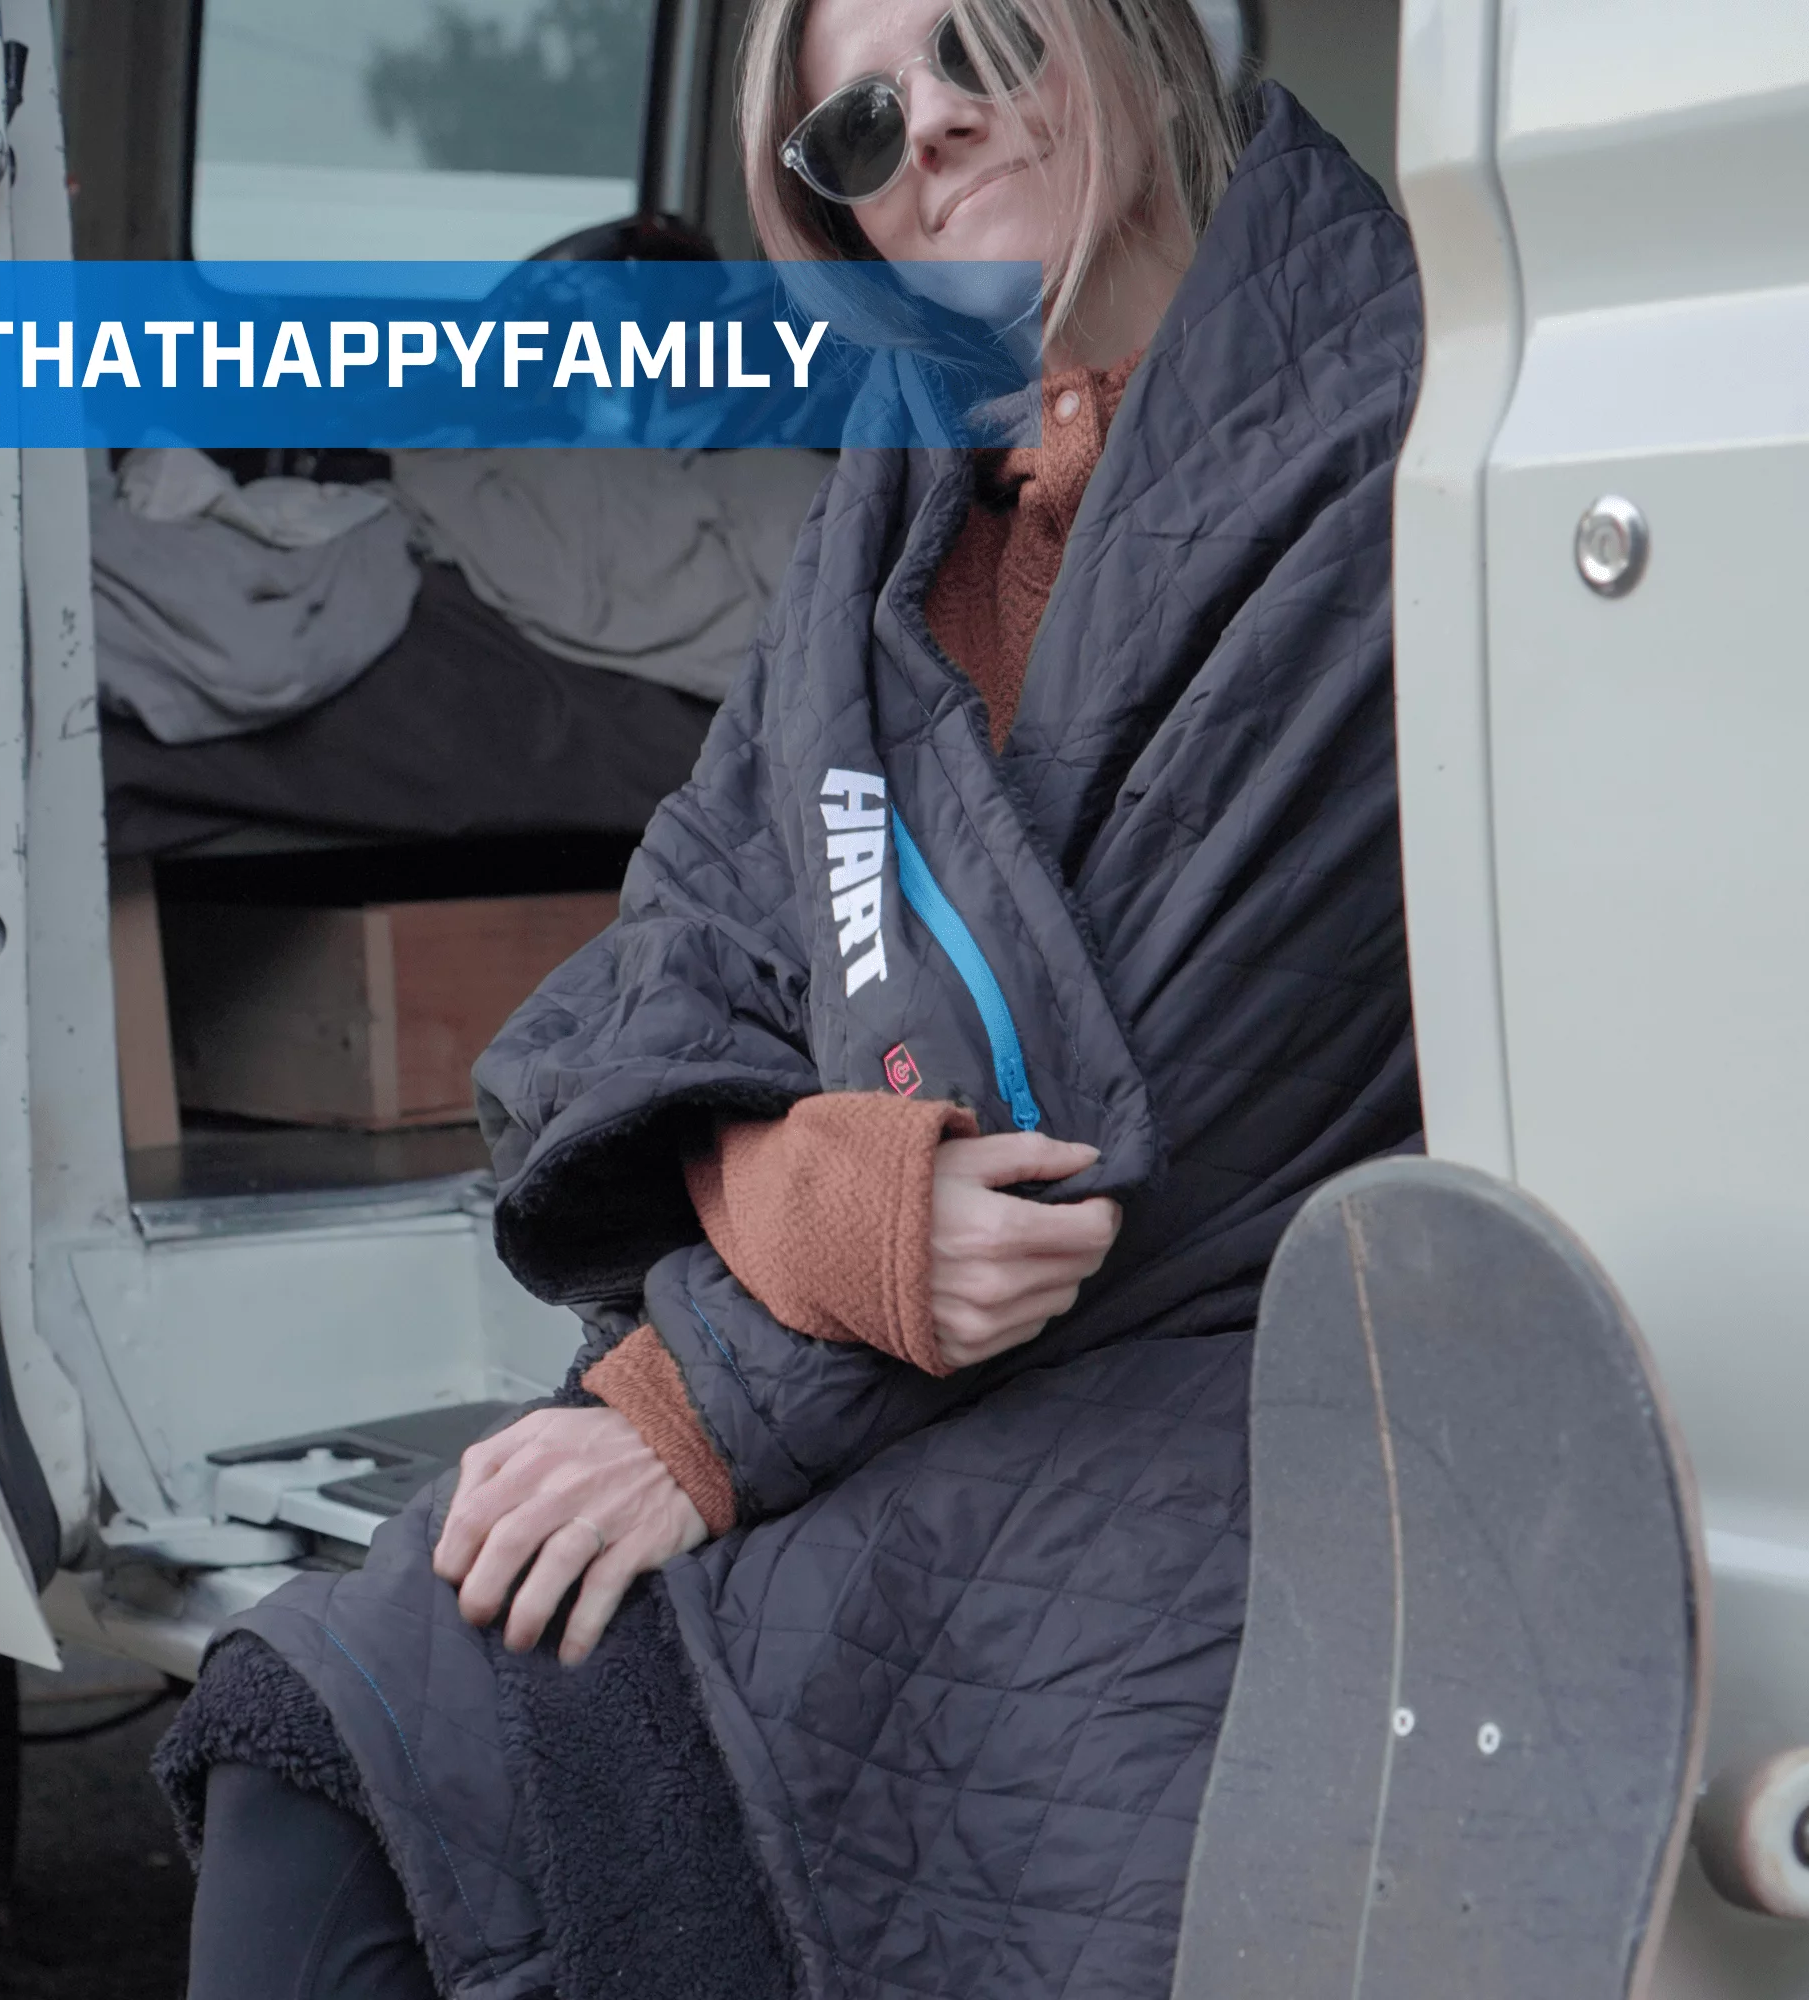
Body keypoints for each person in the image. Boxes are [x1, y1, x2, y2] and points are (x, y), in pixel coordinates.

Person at [154, 2, 1423, 1995]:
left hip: (1196, 1367)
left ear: (1122, 32)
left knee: (649, 1748)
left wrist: (699, 1405)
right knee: (314, 1723)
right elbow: (667, 963)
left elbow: (1103, 1117)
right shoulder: (896, 500)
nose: (931, 130)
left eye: (978, 41)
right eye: (857, 126)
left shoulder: (1377, 429)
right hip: (848, 1328)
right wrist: (800, 1200)